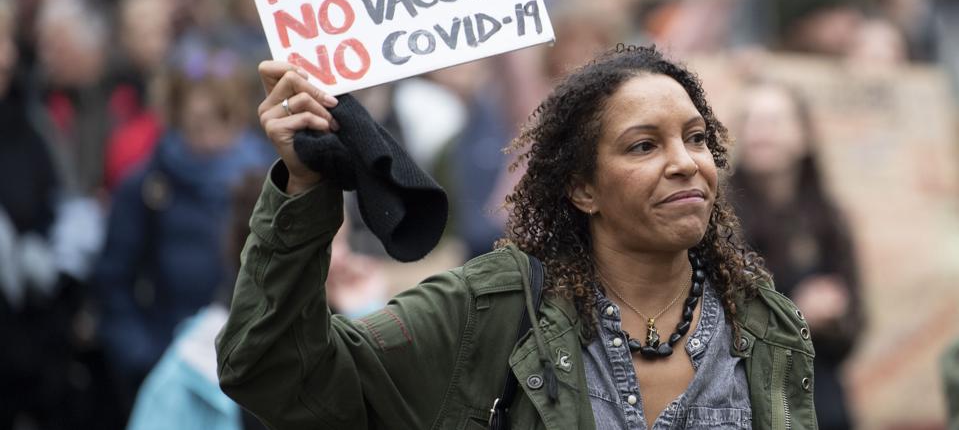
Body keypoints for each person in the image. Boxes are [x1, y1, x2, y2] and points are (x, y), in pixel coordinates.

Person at [217, 45, 817, 429]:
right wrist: (302, 185)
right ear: (583, 188)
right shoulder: (490, 315)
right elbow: (273, 370)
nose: (687, 162)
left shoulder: (766, 327)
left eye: (696, 138)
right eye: (643, 145)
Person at [95, 46, 274, 421]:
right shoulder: (146, 188)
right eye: (197, 124)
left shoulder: (265, 182)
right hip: (176, 367)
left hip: (256, 368)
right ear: (176, 119)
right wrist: (143, 356)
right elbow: (113, 283)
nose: (210, 138)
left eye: (221, 121)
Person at [729, 81, 863, 430]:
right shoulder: (718, 218)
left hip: (821, 397)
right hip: (746, 398)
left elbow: (856, 322)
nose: (760, 131)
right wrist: (799, 314)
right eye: (750, 121)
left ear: (803, 135)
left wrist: (835, 316)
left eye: (773, 121)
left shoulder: (828, 218)